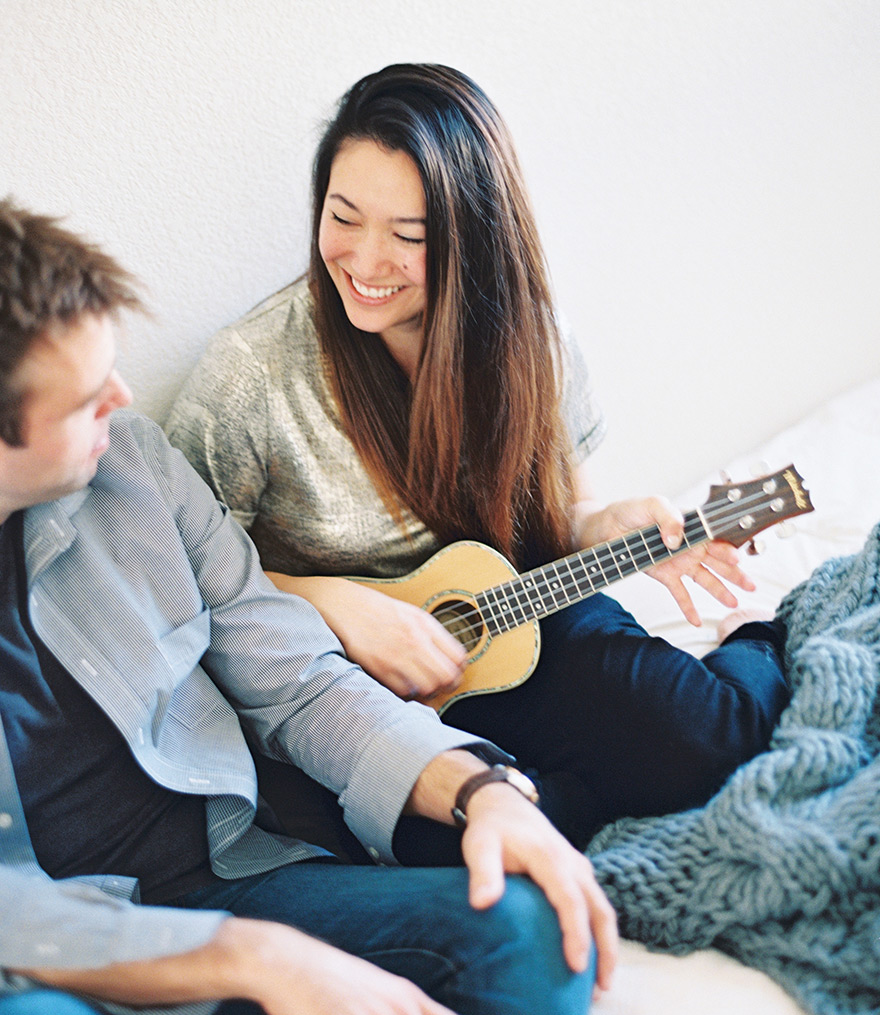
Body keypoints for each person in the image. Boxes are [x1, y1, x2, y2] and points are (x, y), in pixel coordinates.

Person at [0, 198, 619, 1015]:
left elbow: (295, 681)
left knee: (522, 920)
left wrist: (481, 791)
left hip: (228, 880)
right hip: (54, 971)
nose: (124, 396)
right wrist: (255, 959)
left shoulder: (135, 465)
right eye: (82, 400)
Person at [165, 63, 791, 854]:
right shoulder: (251, 374)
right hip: (362, 692)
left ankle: (759, 644)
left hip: (518, 620)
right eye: (343, 217)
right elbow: (180, 579)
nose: (364, 260)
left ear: (472, 235)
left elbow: (562, 522)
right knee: (431, 850)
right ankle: (559, 796)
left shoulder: (534, 344)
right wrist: (328, 603)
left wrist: (613, 523)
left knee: (716, 746)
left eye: (409, 237)